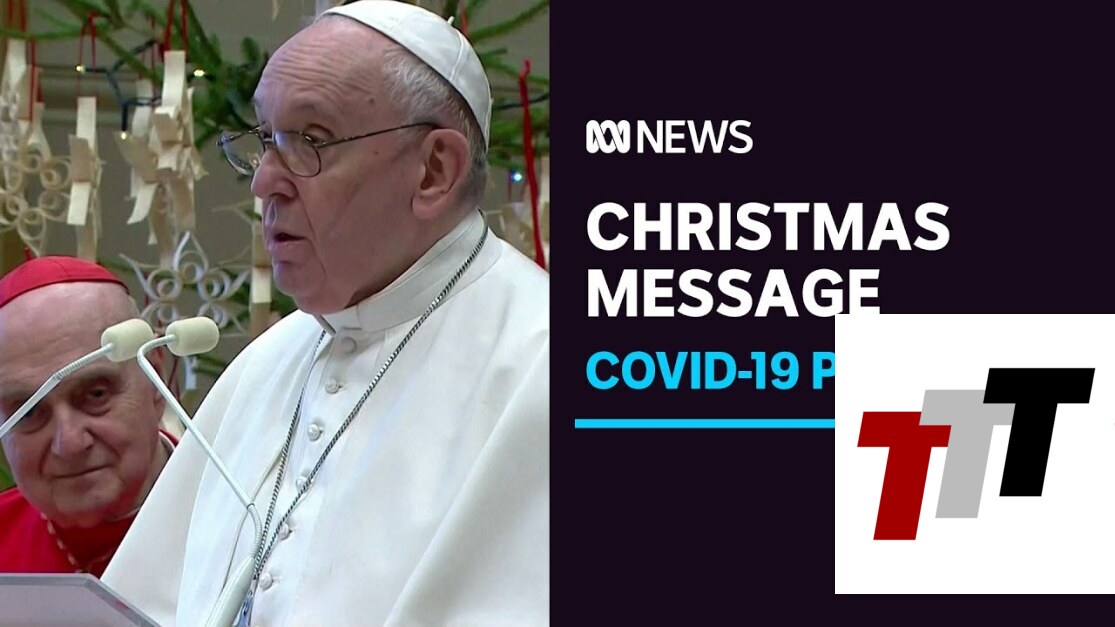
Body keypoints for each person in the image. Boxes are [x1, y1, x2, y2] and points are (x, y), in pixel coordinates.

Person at [102, 1, 550, 625]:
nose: (264, 182)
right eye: (266, 140)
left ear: (434, 171)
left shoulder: (541, 361)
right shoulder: (268, 361)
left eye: (309, 142)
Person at [0, 255, 176, 577]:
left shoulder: (250, 520)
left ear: (155, 379)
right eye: (29, 411)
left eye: (96, 394)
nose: (68, 444)